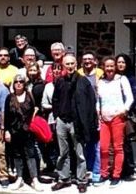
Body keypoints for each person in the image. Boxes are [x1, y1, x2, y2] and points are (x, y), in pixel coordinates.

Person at [51, 53, 98, 193]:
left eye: (72, 64)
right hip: (62, 121)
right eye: (67, 64)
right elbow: (55, 100)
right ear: (63, 66)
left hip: (77, 123)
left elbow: (91, 102)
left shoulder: (83, 81)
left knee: (80, 154)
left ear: (76, 65)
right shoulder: (59, 81)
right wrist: (57, 115)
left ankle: (81, 180)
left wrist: (89, 122)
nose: (70, 66)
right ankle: (63, 179)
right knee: (62, 153)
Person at [96, 57, 133, 186]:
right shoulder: (101, 82)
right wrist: (98, 111)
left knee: (118, 147)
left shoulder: (121, 80)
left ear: (115, 67)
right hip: (104, 119)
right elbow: (98, 99)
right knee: (103, 148)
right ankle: (104, 173)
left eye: (112, 66)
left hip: (117, 117)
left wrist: (124, 109)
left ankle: (116, 175)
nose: (110, 69)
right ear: (103, 68)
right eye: (107, 66)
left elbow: (129, 97)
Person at [5, 74, 45, 191]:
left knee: (30, 155)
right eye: (16, 81)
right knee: (17, 155)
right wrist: (7, 131)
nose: (19, 83)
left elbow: (34, 112)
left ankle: (34, 179)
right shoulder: (9, 97)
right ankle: (19, 178)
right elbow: (6, 116)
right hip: (14, 131)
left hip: (28, 132)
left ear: (24, 83)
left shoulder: (30, 96)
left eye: (21, 81)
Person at [115, 53, 136, 180]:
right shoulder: (112, 77)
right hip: (113, 113)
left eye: (123, 62)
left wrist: (127, 109)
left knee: (125, 143)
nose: (120, 64)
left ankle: (128, 168)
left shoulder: (130, 79)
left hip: (125, 114)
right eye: (118, 62)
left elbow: (135, 96)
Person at [77, 52, 102, 185]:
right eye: (85, 59)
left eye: (90, 59)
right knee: (86, 144)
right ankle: (87, 169)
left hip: (97, 113)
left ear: (95, 61)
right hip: (83, 115)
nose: (87, 61)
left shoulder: (100, 74)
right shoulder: (78, 74)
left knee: (97, 144)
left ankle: (97, 171)